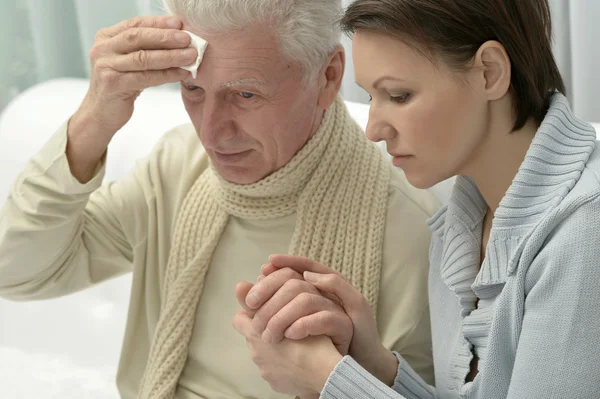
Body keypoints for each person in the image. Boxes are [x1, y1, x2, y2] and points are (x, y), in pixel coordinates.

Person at [0, 0, 441, 398]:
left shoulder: (410, 229)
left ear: (328, 77)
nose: (211, 133)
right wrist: (93, 118)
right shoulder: (178, 163)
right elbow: (16, 272)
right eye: (193, 90)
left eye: (245, 94)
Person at [232, 0, 600, 398]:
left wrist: (329, 381)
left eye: (399, 95)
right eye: (372, 97)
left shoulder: (584, 233)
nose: (373, 129)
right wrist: (370, 362)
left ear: (489, 73)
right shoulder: (461, 225)